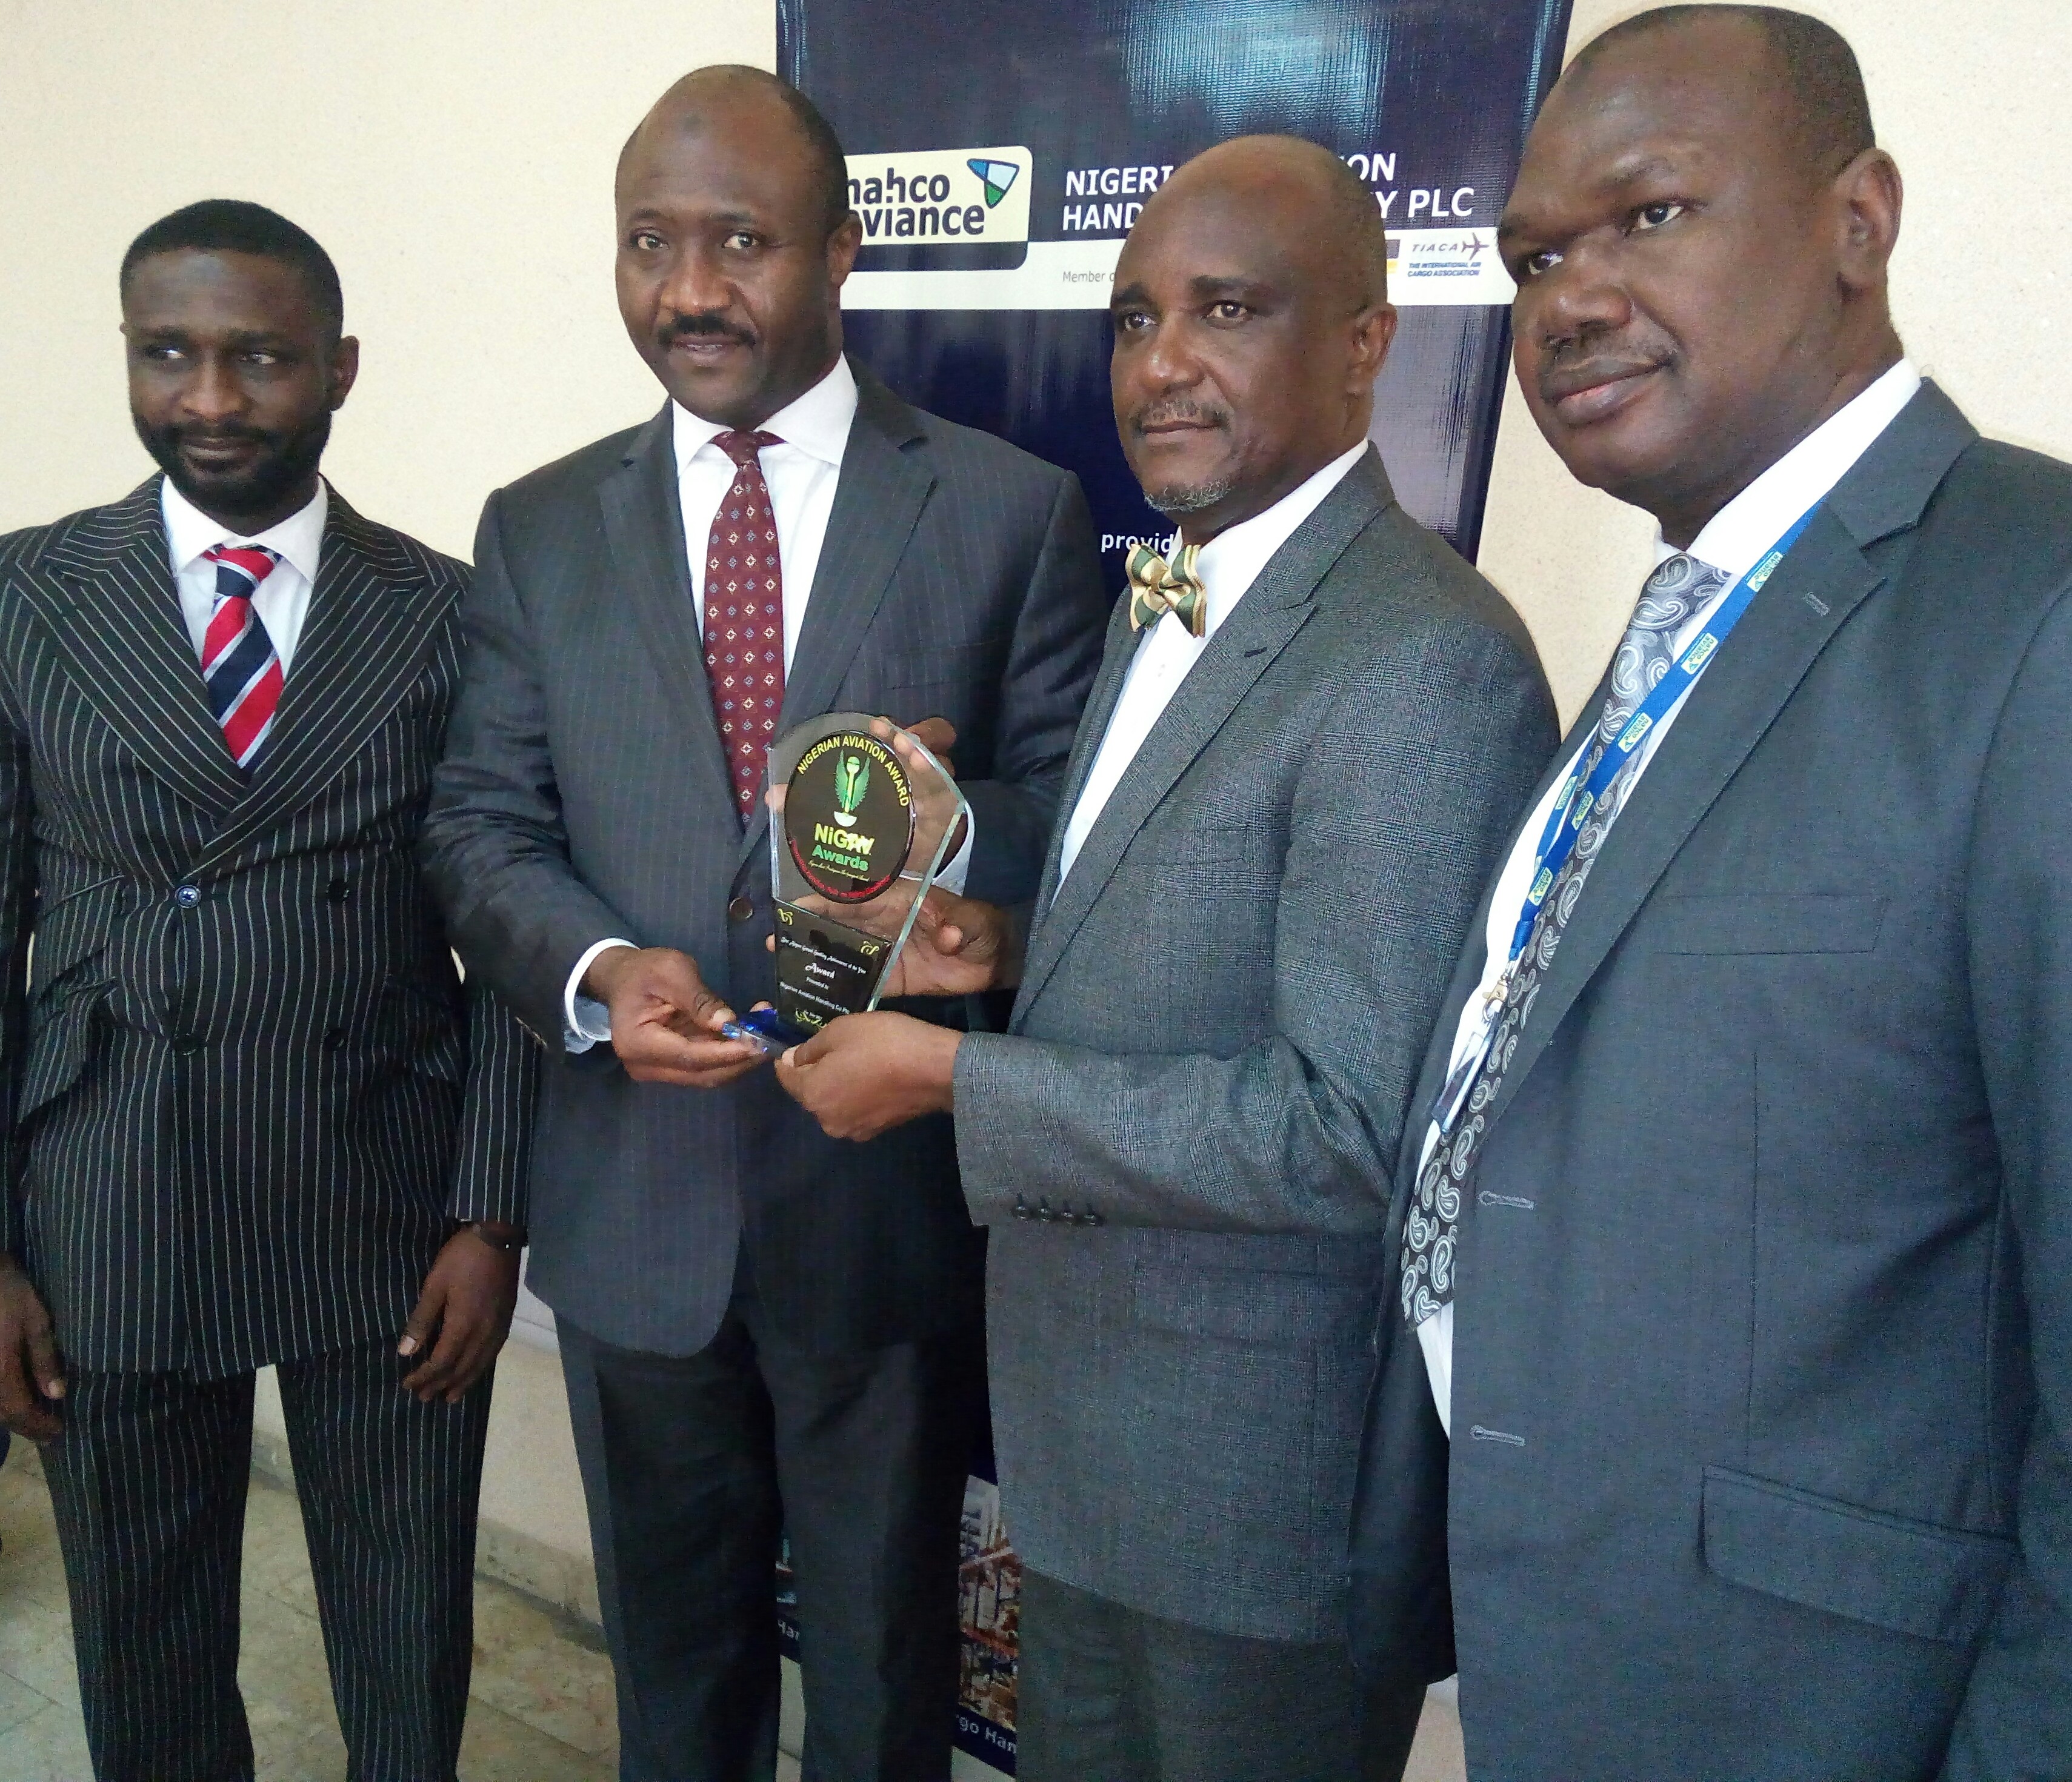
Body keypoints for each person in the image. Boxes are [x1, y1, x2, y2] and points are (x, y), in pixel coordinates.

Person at [1346, 7, 2072, 1778]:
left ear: (1857, 218)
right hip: (1575, 1654)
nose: (1570, 298)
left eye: (1648, 216)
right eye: (1533, 258)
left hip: (1827, 1711)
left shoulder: (2026, 613)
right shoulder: (1701, 607)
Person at [778, 135, 1556, 1782]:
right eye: (1134, 319)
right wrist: (998, 921)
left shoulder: (1424, 665)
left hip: (1252, 1505)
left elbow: (1345, 1131)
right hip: (1084, 1441)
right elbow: (1162, 890)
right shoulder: (1174, 586)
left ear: (1365, 339)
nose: (1163, 365)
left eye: (1225, 311)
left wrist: (953, 1079)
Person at [418, 65, 1107, 1782]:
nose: (689, 289)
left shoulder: (1005, 511)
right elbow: (483, 825)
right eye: (650, 242)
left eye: (740, 240)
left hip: (876, 1223)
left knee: (884, 1678)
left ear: (842, 253)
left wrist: (956, 842)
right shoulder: (538, 525)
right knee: (677, 1673)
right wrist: (590, 969)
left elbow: (1084, 828)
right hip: (634, 1215)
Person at [0, 200, 538, 1782]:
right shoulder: (27, 598)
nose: (211, 398)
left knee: (403, 1619)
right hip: (106, 1180)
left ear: (339, 369)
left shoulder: (445, 612)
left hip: (383, 1185)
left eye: (258, 358)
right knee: (140, 1624)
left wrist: (490, 1214)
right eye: (167, 353)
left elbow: (502, 935)